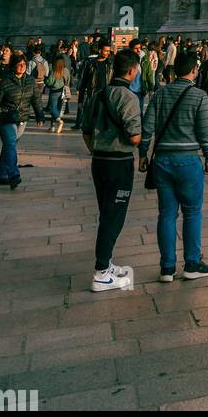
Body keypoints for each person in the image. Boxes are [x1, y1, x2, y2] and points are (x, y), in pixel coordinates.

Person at [139, 50, 208, 281]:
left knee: (166, 214)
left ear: (174, 70)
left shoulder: (160, 94)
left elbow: (147, 127)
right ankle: (192, 263)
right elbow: (205, 132)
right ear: (194, 70)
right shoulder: (199, 96)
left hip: (162, 160)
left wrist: (143, 153)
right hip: (188, 160)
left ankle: (167, 268)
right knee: (192, 213)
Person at [81, 48, 142, 291]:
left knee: (106, 211)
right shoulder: (129, 98)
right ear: (132, 70)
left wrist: (97, 148)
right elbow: (135, 136)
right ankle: (101, 272)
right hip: (119, 163)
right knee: (113, 216)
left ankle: (107, 263)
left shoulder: (99, 94)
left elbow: (85, 130)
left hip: (99, 161)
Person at [0, 53, 38, 188]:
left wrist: (40, 115)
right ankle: (13, 174)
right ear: (13, 65)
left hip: (22, 118)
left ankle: (1, 175)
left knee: (10, 146)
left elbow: (36, 99)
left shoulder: (30, 81)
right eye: (19, 64)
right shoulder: (4, 82)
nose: (22, 67)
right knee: (9, 144)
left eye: (24, 64)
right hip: (6, 117)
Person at [44, 55, 71, 133]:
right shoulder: (66, 70)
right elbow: (69, 81)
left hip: (54, 92)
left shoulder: (54, 71)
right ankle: (52, 127)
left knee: (52, 109)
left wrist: (46, 79)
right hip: (63, 92)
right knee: (57, 109)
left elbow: (50, 82)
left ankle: (59, 121)